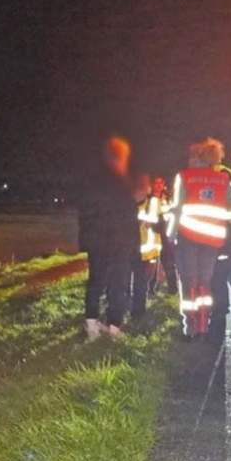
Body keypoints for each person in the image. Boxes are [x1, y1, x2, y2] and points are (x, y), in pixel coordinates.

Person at [170, 138, 231, 338]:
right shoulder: (222, 180)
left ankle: (190, 326)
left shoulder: (184, 177)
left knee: (189, 281)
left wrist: (171, 234)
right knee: (205, 281)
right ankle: (204, 323)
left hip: (188, 237)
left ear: (196, 157)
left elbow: (177, 208)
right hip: (212, 240)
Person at [77, 136, 139, 340]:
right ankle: (113, 326)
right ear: (120, 156)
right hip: (119, 243)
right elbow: (129, 218)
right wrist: (134, 245)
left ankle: (92, 325)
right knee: (117, 285)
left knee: (95, 282)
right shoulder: (123, 182)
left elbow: (85, 214)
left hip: (97, 243)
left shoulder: (92, 181)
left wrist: (86, 241)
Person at [130, 174, 163, 318]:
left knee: (141, 283)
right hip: (130, 249)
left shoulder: (154, 203)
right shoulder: (127, 203)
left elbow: (161, 225)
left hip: (148, 252)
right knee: (128, 283)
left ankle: (138, 312)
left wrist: (152, 224)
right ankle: (126, 309)